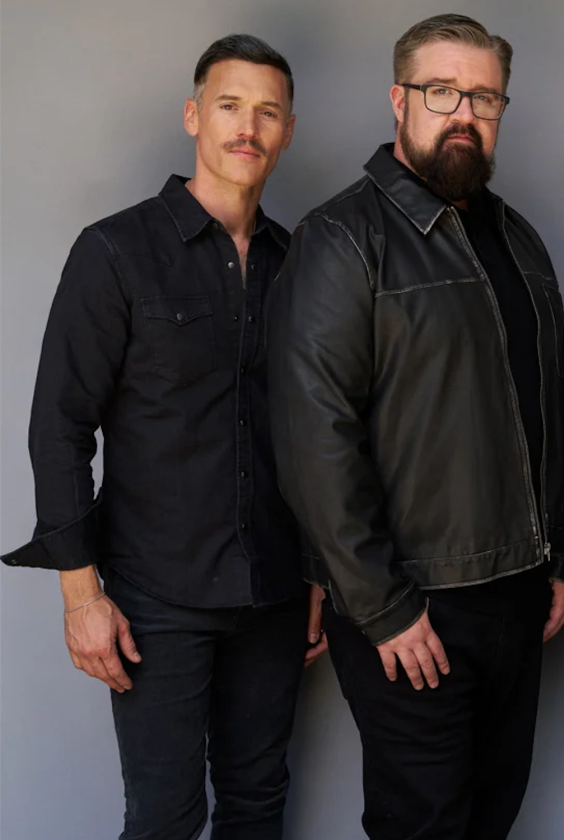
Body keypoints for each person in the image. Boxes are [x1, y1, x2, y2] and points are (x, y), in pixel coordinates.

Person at [265, 14, 564, 840]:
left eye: (483, 96)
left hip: (519, 593)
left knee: (491, 817)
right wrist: (383, 608)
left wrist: (561, 557)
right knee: (425, 825)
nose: (463, 113)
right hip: (413, 605)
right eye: (442, 92)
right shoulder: (342, 238)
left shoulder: (519, 239)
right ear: (399, 100)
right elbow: (313, 439)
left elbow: (551, 405)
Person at [2, 34, 318, 840]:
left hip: (276, 591)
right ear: (193, 116)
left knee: (259, 806)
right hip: (157, 598)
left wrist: (321, 575)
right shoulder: (116, 251)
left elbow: (319, 434)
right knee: (165, 820)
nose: (248, 127)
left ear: (287, 132)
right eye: (229, 105)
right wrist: (82, 596)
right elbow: (59, 426)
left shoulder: (300, 264)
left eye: (268, 112)